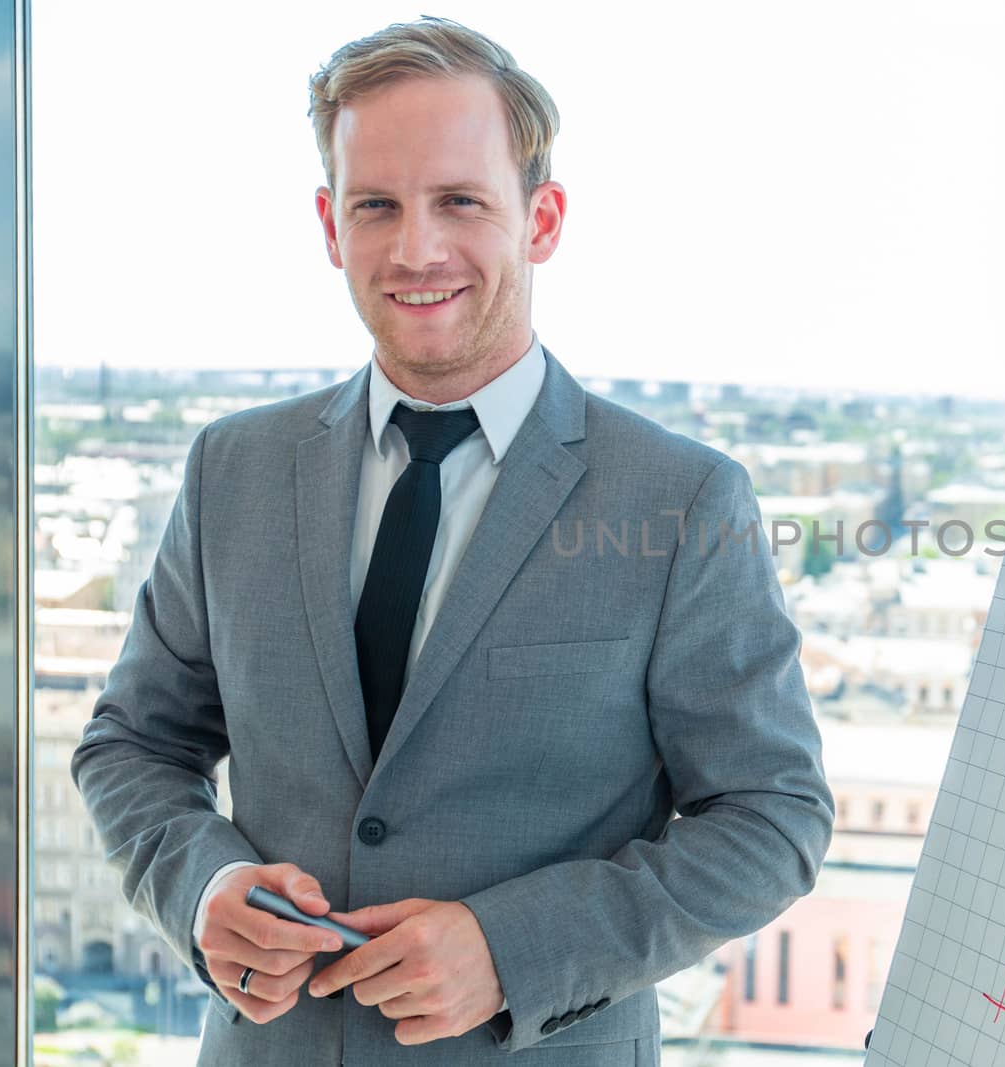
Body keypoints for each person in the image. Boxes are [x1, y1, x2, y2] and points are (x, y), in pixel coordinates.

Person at [71, 16, 832, 1066]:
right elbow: (134, 744)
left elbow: (771, 818)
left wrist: (511, 948)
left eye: (460, 201)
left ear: (543, 217)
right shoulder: (231, 470)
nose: (415, 248)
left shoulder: (683, 498)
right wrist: (202, 883)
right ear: (331, 225)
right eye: (376, 205)